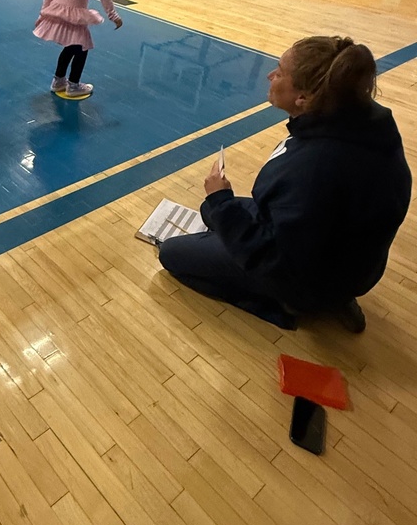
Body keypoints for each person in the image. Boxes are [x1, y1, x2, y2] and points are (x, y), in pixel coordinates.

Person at [158, 36, 412, 332]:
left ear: (303, 97)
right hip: (351, 263)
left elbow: (274, 258)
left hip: (304, 278)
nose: (270, 76)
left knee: (172, 253)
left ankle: (284, 305)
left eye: (279, 72)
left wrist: (222, 202)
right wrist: (220, 205)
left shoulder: (313, 167)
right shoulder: (363, 123)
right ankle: (336, 297)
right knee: (209, 209)